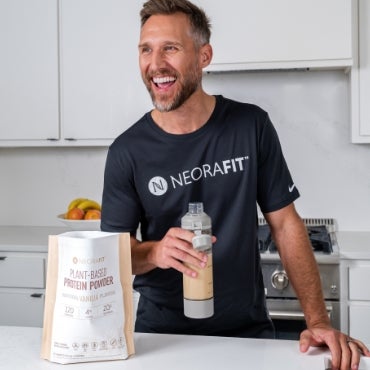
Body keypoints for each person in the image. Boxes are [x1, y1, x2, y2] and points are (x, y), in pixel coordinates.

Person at [101, 0, 370, 369]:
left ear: (204, 56)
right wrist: (155, 252)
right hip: (160, 338)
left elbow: (285, 224)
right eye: (146, 49)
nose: (156, 63)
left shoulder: (250, 126)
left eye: (171, 48)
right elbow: (113, 253)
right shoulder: (126, 152)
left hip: (246, 334)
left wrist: (319, 322)